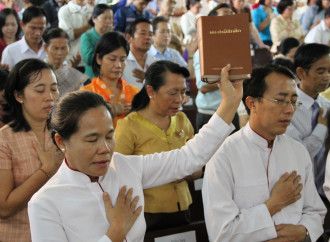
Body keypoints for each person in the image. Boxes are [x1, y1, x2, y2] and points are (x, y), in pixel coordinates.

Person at [28, 62, 243, 241]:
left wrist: (230, 103)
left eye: (109, 136)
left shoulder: (125, 166)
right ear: (61, 141)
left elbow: (187, 158)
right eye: (92, 139)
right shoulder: (45, 203)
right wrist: (113, 235)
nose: (104, 149)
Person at [202, 64, 326, 242]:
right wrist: (274, 204)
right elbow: (221, 233)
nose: (290, 110)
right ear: (252, 103)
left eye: (293, 101)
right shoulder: (223, 155)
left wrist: (304, 231)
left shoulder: (298, 151)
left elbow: (315, 211)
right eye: (280, 100)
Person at [115, 60, 201, 230]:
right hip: (147, 213)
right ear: (151, 91)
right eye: (172, 93)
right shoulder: (129, 125)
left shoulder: (182, 120)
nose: (179, 99)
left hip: (183, 208)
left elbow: (198, 167)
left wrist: (187, 172)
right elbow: (118, 175)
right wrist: (163, 172)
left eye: (183, 92)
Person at [0, 59, 63, 242]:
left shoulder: (64, 133)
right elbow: (4, 208)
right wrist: (46, 170)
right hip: (18, 235)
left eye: (54, 88)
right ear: (19, 95)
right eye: (40, 90)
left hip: (58, 233)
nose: (50, 97)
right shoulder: (5, 140)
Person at [286, 43, 330, 229]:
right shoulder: (288, 107)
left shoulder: (326, 105)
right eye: (320, 71)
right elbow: (297, 154)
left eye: (329, 70)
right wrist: (321, 128)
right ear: (301, 73)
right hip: (299, 193)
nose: (327, 77)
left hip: (326, 189)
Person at [194, 3, 241, 131]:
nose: (230, 18)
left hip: (231, 111)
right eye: (226, 15)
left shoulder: (235, 50)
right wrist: (229, 80)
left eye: (232, 15)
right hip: (210, 113)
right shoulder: (203, 52)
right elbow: (203, 87)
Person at [80, 31, 139, 128]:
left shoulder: (135, 92)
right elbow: (82, 128)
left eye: (122, 60)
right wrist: (110, 113)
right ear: (99, 59)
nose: (118, 65)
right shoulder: (86, 93)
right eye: (112, 59)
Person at [43, 27, 89, 97]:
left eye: (63, 48)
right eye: (55, 48)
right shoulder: (39, 71)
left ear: (69, 48)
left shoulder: (73, 74)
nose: (59, 53)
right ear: (46, 48)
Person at [122, 18, 158, 89]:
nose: (148, 37)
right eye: (143, 33)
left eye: (150, 34)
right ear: (129, 37)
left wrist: (150, 81)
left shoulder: (156, 63)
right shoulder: (121, 62)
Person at [81, 4, 114, 80]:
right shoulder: (87, 36)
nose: (108, 21)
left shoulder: (114, 36)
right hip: (92, 80)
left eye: (111, 18)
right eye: (105, 18)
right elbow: (89, 59)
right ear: (94, 19)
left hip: (111, 80)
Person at [58, 0, 92, 68]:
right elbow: (66, 35)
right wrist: (87, 27)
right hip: (72, 60)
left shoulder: (92, 10)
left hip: (91, 61)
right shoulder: (65, 10)